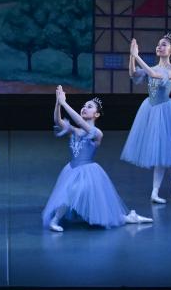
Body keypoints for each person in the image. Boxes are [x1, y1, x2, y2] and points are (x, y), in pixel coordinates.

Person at [43, 86, 152, 232]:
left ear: (97, 114)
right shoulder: (74, 131)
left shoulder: (97, 133)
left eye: (89, 107)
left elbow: (81, 123)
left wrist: (64, 103)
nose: (84, 108)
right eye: (83, 106)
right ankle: (129, 218)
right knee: (72, 194)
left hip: (88, 173)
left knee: (76, 195)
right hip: (72, 170)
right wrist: (58, 103)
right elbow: (57, 121)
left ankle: (55, 220)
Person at [121, 34, 171, 204]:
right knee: (165, 150)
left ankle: (155, 191)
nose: (160, 47)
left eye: (164, 44)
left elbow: (153, 74)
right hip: (150, 110)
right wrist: (132, 56)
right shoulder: (151, 67)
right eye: (158, 44)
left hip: (165, 112)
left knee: (163, 151)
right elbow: (133, 74)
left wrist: (137, 56)